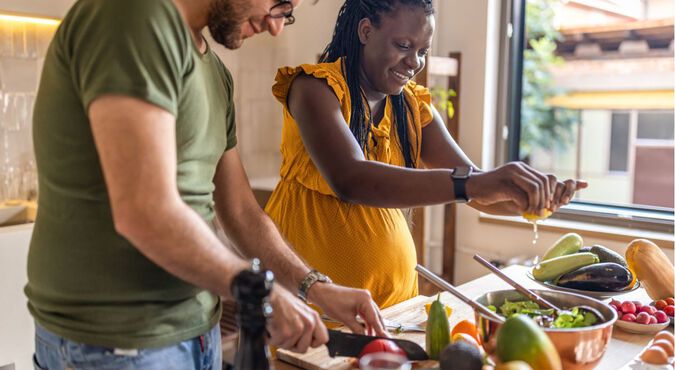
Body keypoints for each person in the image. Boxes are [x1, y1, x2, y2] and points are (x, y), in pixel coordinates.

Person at [26, 0, 388, 369]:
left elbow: (241, 212)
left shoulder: (213, 71)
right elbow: (144, 210)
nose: (277, 26)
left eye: (288, 14)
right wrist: (257, 290)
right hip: (116, 344)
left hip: (196, 332)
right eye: (279, 4)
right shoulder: (133, 15)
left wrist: (316, 288)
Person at [265, 0, 588, 308]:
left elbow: (478, 193)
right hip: (314, 306)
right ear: (365, 31)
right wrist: (478, 183)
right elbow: (351, 179)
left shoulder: (412, 107)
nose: (414, 62)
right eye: (403, 46)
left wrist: (533, 199)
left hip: (395, 307)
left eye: (422, 51)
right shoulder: (315, 88)